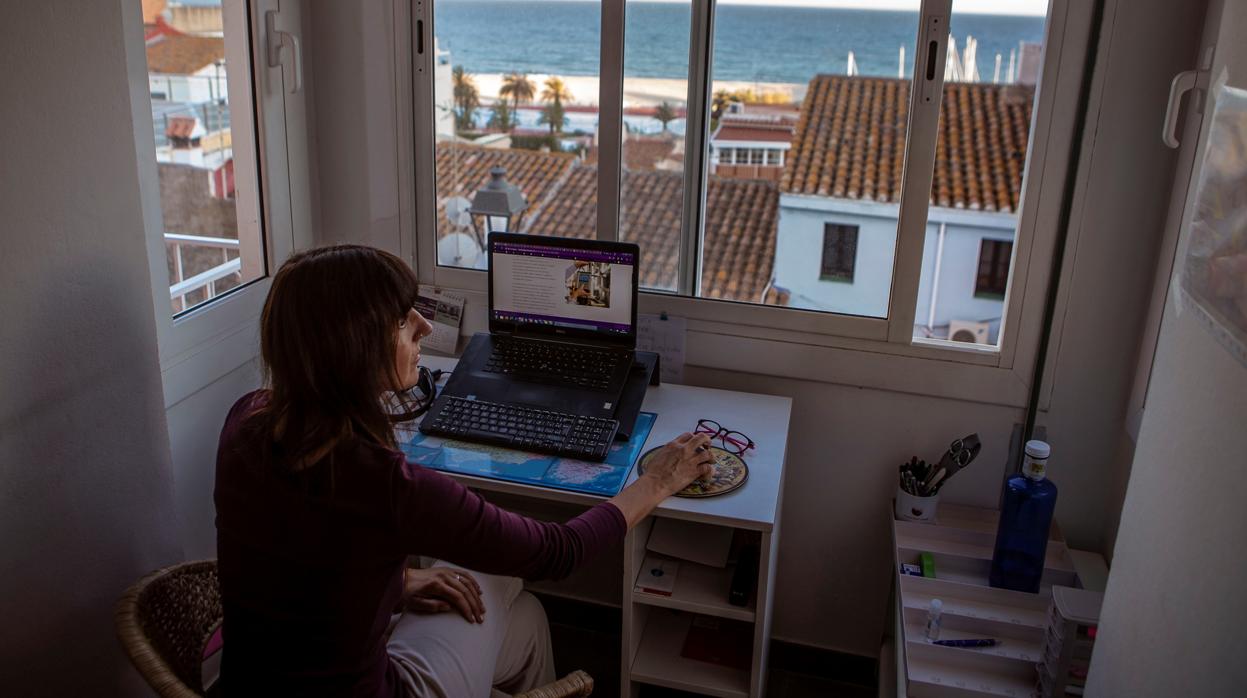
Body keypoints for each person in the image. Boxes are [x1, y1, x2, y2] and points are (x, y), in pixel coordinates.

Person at [214, 244, 713, 697]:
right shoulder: (384, 484)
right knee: (492, 576)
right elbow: (557, 553)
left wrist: (403, 581)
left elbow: (306, 558)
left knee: (526, 617)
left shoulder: (245, 421)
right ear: (356, 345)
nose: (424, 327)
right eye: (402, 320)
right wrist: (657, 481)